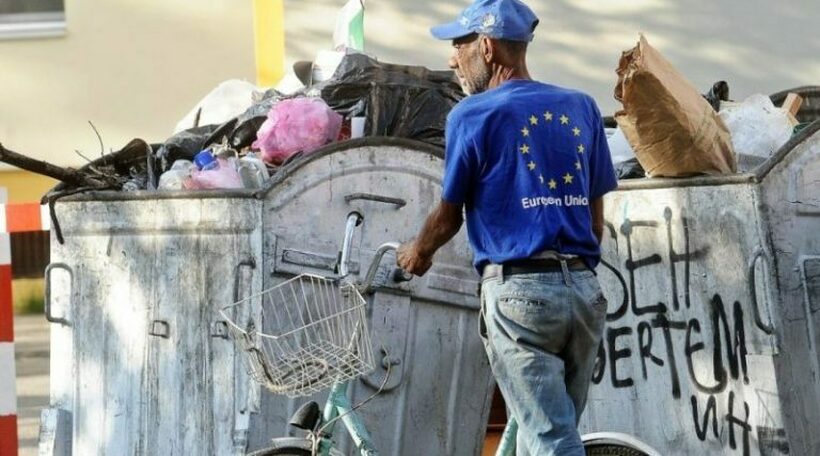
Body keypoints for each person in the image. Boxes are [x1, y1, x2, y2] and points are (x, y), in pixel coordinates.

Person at [396, 0, 618, 454]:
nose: (452, 58)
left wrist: (417, 252)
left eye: (459, 45)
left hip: (521, 298)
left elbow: (447, 215)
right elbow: (596, 223)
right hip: (583, 292)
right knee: (545, 432)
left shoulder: (472, 115)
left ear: (487, 47)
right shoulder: (582, 107)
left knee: (552, 440)